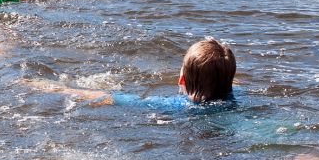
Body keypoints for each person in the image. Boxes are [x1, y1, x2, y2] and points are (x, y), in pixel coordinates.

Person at [25, 38, 236, 108]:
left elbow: (109, 98)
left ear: (181, 79)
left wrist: (57, 88)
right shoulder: (232, 98)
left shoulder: (175, 106)